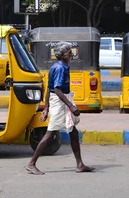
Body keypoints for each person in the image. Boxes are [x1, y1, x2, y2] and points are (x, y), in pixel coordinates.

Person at [25, 41, 95, 175]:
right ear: (63, 55)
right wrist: (70, 106)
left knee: (73, 132)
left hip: (61, 100)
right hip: (60, 102)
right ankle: (31, 163)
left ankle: (80, 164)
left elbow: (49, 88)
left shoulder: (58, 66)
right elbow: (56, 89)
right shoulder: (60, 68)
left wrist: (46, 108)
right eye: (69, 51)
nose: (71, 53)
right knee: (50, 133)